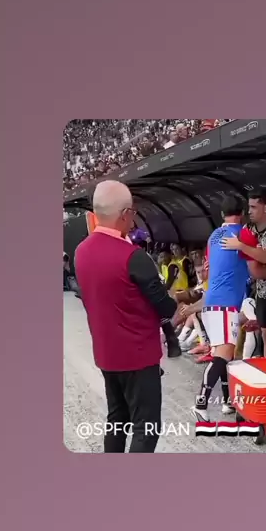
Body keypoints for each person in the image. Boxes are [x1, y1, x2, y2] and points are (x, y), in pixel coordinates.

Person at [74, 180, 181, 453]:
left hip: (106, 353)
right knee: (147, 429)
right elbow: (166, 307)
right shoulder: (133, 257)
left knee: (117, 420)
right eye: (132, 212)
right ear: (124, 214)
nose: (133, 219)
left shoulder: (81, 252)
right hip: (138, 356)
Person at [183, 194, 266, 422]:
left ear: (222, 214)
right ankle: (201, 405)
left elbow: (214, 267)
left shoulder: (214, 236)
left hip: (212, 303)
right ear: (242, 213)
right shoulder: (244, 234)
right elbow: (256, 270)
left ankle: (227, 402)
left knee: (225, 353)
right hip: (225, 304)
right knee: (222, 356)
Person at [222, 188, 266, 357]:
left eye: (254, 207)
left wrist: (242, 246)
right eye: (249, 207)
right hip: (261, 292)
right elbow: (256, 269)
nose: (249, 211)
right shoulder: (248, 228)